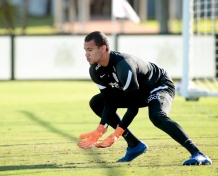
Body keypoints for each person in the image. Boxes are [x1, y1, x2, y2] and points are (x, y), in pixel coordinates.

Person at [77, 31, 212, 166]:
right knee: (97, 102)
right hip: (139, 92)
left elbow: (133, 107)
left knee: (157, 116)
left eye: (90, 50)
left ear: (103, 48)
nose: (86, 54)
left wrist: (117, 133)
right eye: (85, 50)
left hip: (159, 85)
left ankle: (198, 153)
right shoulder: (95, 71)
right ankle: (134, 145)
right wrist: (101, 129)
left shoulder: (124, 66)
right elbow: (110, 101)